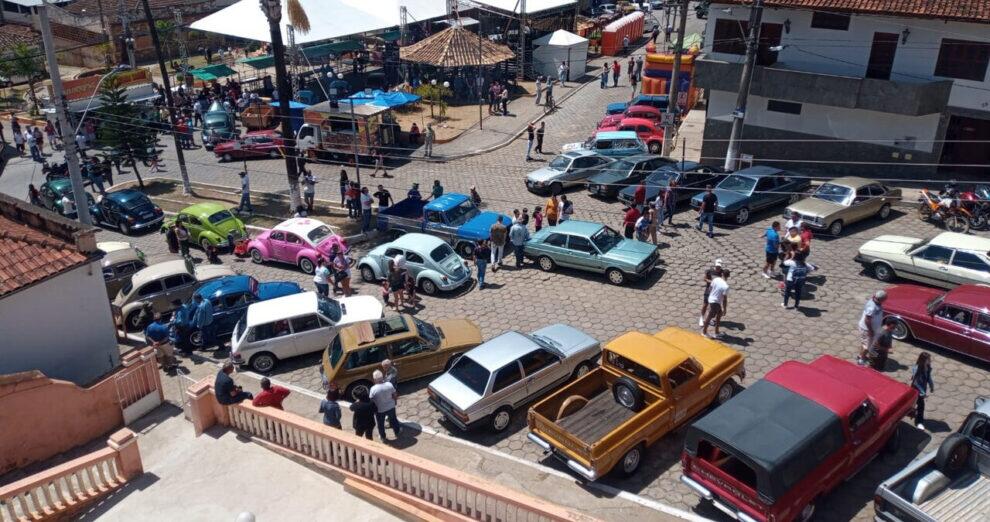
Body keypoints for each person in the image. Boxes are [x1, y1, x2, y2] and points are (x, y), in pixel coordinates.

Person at [369, 370, 402, 442]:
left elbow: (371, 400)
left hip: (380, 409)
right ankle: (397, 431)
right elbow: (395, 395)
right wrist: (395, 402)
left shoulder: (373, 389)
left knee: (380, 423)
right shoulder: (389, 384)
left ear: (374, 379)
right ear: (382, 377)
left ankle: (383, 436)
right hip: (391, 406)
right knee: (393, 419)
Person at [857, 290, 887, 365]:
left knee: (864, 343)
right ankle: (861, 359)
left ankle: (860, 355)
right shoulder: (872, 307)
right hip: (867, 329)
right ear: (882, 299)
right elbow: (867, 320)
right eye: (885, 299)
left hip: (871, 328)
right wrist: (870, 331)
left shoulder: (875, 301)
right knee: (868, 346)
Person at [703, 266, 729, 338]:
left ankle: (716, 332)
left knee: (719, 314)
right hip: (715, 302)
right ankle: (704, 332)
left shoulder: (716, 279)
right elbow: (724, 299)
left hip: (711, 299)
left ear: (722, 274)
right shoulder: (726, 286)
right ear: (728, 276)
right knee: (710, 317)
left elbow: (710, 288)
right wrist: (725, 309)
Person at [910, 353, 934, 431]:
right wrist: (923, 392)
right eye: (928, 359)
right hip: (916, 390)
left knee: (919, 406)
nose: (930, 360)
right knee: (919, 406)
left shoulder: (927, 368)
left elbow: (928, 377)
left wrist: (931, 385)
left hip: (922, 390)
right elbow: (916, 383)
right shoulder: (916, 369)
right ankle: (919, 422)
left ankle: (916, 418)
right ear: (923, 360)